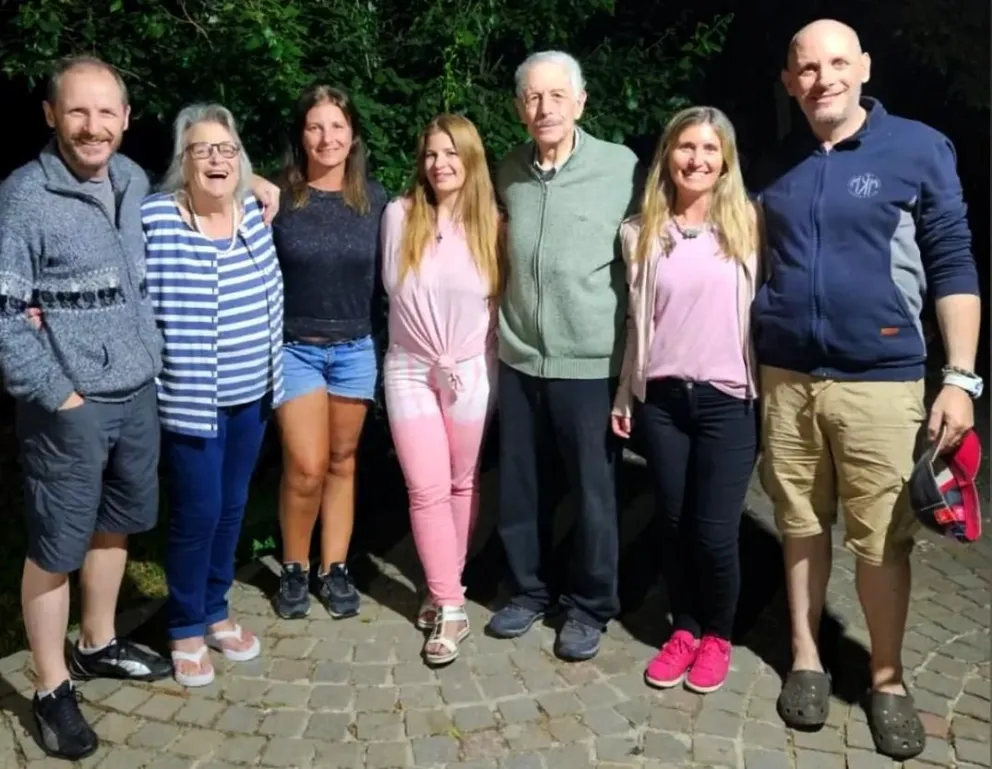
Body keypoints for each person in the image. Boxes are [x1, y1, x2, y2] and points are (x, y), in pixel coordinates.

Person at [753, 19, 982, 760]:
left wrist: (960, 377)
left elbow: (952, 263)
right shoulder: (774, 162)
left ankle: (887, 679)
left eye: (837, 63)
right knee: (798, 520)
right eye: (807, 67)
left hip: (882, 383)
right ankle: (807, 658)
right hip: (787, 379)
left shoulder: (916, 148)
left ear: (865, 68)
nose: (824, 78)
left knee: (884, 539)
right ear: (790, 81)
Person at [0, 55, 171, 761]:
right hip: (67, 407)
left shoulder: (131, 180)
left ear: (127, 118)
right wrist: (57, 394)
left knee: (116, 524)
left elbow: (196, 184)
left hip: (136, 391)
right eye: (77, 111)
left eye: (106, 112)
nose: (92, 126)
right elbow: (5, 313)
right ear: (51, 115)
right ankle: (49, 685)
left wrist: (253, 179)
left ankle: (98, 641)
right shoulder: (24, 196)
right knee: (55, 547)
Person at [486, 50, 641, 661]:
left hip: (591, 361)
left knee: (596, 492)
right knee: (522, 487)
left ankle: (589, 606)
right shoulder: (507, 170)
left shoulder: (621, 168)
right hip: (521, 354)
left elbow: (650, 255)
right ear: (520, 108)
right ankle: (527, 591)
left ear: (580, 102)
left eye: (556, 96)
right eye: (532, 97)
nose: (543, 107)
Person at [611, 106, 761, 694]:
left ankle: (719, 634)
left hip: (729, 400)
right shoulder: (639, 231)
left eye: (709, 149)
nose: (696, 160)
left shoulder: (750, 224)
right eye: (685, 147)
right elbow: (635, 322)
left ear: (726, 161)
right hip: (665, 401)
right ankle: (686, 628)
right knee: (672, 524)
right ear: (667, 156)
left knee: (714, 530)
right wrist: (626, 393)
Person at [142, 103, 285, 687]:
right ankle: (184, 626)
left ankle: (216, 607)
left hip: (252, 393)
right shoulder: (155, 219)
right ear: (183, 160)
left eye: (227, 149)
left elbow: (256, 184)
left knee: (231, 508)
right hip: (191, 401)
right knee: (197, 513)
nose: (217, 159)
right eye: (202, 149)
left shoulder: (253, 209)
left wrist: (260, 180)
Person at [380, 114, 501, 665]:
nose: (439, 164)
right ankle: (452, 607)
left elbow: (498, 309)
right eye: (430, 154)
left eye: (451, 153)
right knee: (424, 487)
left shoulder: (494, 224)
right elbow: (391, 291)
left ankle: (441, 587)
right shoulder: (399, 216)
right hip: (410, 367)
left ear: (471, 159)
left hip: (471, 371)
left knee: (461, 482)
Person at [271, 85, 389, 620]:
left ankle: (332, 567)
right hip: (294, 349)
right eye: (316, 126)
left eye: (337, 126)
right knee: (306, 465)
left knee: (343, 462)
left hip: (355, 347)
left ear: (353, 135)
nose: (327, 137)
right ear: (302, 135)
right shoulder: (274, 197)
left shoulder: (377, 201)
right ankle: (294, 567)